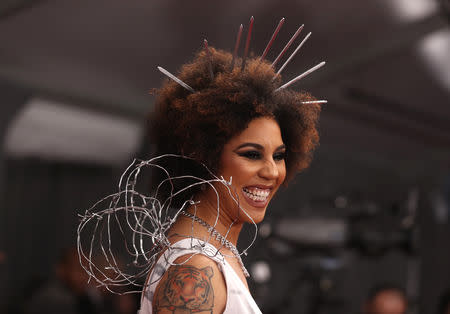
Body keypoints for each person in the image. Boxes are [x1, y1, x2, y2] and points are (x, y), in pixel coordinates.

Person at [135, 29, 322, 313]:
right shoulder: (195, 269)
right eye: (251, 154)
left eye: (280, 155)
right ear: (202, 155)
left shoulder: (210, 254)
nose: (272, 172)